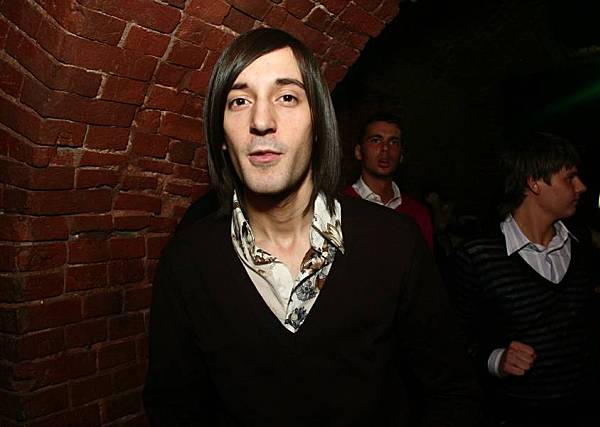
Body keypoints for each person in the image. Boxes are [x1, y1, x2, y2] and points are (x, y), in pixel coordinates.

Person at [143, 28, 480, 426]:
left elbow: (452, 391)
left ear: (318, 125)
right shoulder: (187, 262)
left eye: (287, 97)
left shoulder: (394, 244)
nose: (261, 121)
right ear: (221, 136)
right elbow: (173, 409)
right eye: (239, 101)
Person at [452, 132, 600, 427]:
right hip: (518, 414)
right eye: (570, 178)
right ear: (534, 182)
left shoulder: (579, 241)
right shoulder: (479, 255)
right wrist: (497, 359)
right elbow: (455, 342)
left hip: (589, 408)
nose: (581, 186)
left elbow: (587, 317)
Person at [344, 114, 434, 250]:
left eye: (393, 142)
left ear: (401, 155)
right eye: (376, 140)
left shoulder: (417, 213)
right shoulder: (339, 206)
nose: (385, 148)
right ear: (359, 152)